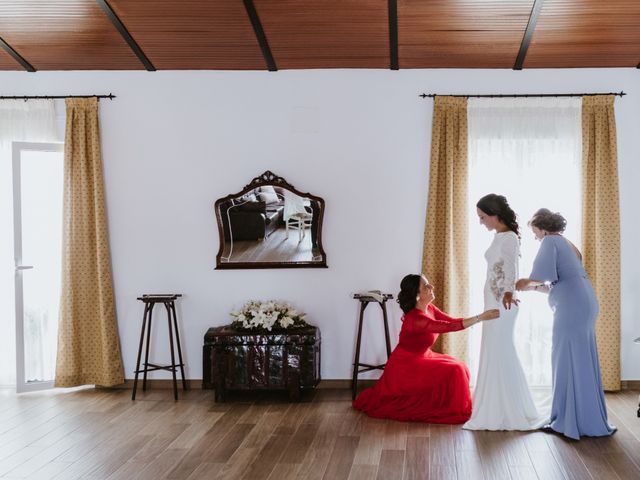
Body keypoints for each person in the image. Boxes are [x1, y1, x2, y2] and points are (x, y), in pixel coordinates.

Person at [515, 208, 616, 440]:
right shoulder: (568, 244)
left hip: (572, 306)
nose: (535, 237)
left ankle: (566, 421)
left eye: (535, 232)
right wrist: (530, 287)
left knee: (564, 358)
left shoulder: (550, 241)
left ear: (542, 227)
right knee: (581, 358)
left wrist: (525, 281)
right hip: (585, 301)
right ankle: (583, 418)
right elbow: (557, 283)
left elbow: (540, 277)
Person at [352, 274, 499, 424]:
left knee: (460, 366)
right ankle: (448, 408)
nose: (431, 287)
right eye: (426, 287)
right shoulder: (416, 320)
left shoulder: (430, 308)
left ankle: (443, 404)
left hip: (422, 356)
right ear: (417, 296)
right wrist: (481, 317)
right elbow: (448, 327)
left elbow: (452, 321)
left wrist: (480, 317)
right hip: (406, 366)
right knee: (456, 370)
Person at [464, 194, 548, 431]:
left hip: (503, 303)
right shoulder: (499, 236)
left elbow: (511, 266)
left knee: (500, 351)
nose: (481, 222)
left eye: (482, 217)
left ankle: (508, 409)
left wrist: (509, 292)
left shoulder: (509, 237)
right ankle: (494, 405)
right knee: (493, 351)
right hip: (493, 299)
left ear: (494, 215)